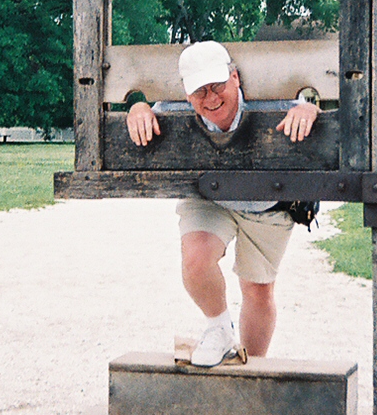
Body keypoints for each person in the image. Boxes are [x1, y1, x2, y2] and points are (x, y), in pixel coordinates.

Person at [125, 40, 321, 366]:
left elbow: (311, 103)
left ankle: (251, 367)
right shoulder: (174, 109)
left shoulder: (273, 99)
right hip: (209, 197)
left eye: (217, 85)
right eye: (199, 91)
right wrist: (137, 107)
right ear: (186, 94)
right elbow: (140, 103)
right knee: (195, 261)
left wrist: (310, 108)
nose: (211, 98)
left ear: (235, 77)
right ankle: (219, 329)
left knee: (257, 291)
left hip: (266, 203)